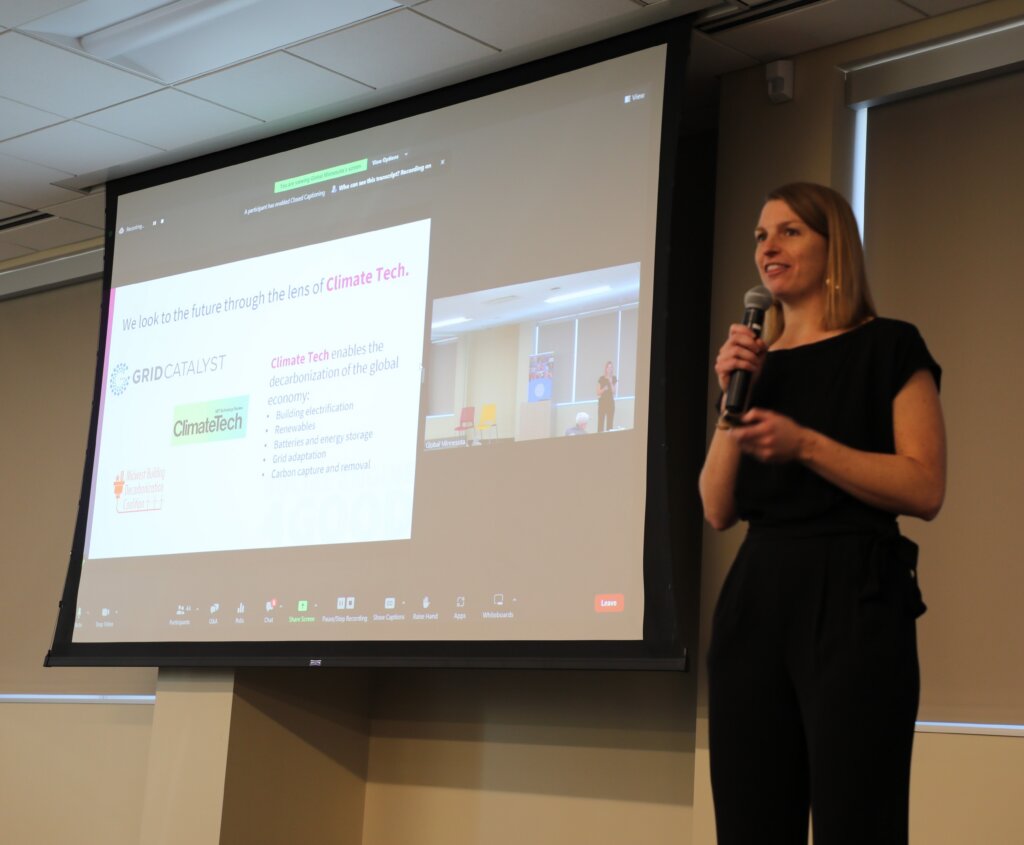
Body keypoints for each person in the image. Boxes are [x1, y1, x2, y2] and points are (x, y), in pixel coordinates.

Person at [699, 182, 946, 845]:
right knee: (751, 822)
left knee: (856, 819)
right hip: (756, 598)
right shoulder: (756, 364)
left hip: (856, 596)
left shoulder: (891, 347)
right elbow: (717, 506)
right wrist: (732, 397)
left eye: (789, 231)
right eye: (760, 235)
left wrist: (805, 444)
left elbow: (925, 486)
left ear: (835, 249)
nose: (767, 247)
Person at [596, 361, 617, 432]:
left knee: (610, 424)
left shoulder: (614, 378)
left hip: (610, 403)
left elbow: (614, 392)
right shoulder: (601, 378)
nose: (610, 369)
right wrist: (604, 389)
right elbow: (598, 392)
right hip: (602, 403)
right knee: (600, 423)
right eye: (608, 367)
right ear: (606, 368)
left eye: (611, 367)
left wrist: (611, 382)